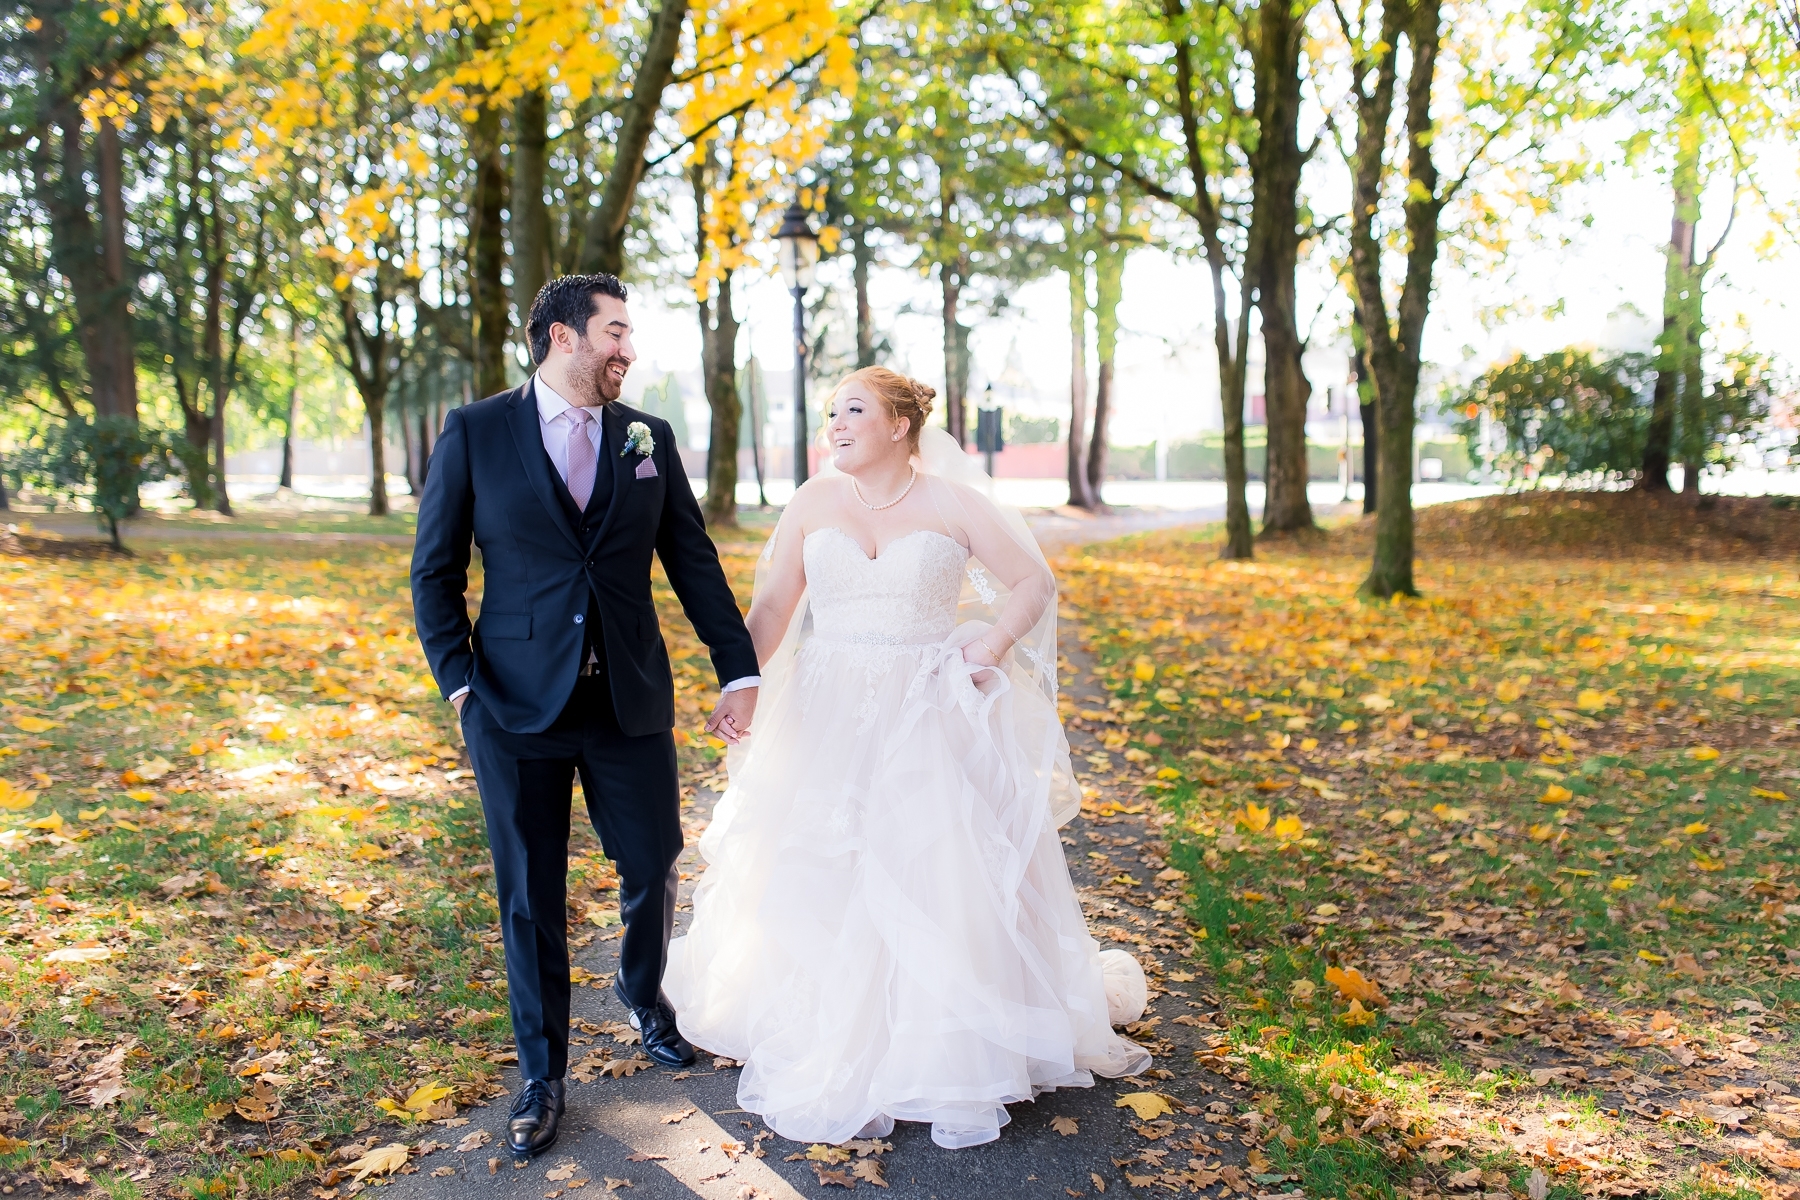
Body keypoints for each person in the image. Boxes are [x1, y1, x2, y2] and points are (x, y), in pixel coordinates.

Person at [664, 366, 1151, 1150]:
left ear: (898, 424)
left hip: (927, 709)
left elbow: (1033, 580)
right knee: (822, 863)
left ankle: (942, 1044)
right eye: (830, 412)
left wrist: (990, 642)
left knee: (931, 868)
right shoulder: (812, 502)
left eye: (853, 410)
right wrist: (741, 684)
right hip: (826, 713)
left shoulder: (952, 502)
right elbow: (773, 608)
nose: (836, 424)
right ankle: (819, 1023)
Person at [410, 274, 760, 1158]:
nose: (626, 350)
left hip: (626, 696)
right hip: (513, 706)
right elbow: (434, 573)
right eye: (613, 332)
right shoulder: (476, 432)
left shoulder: (648, 436)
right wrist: (462, 687)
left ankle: (645, 997)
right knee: (529, 896)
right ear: (561, 338)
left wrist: (739, 667)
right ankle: (542, 1074)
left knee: (653, 862)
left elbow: (691, 558)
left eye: (629, 335)